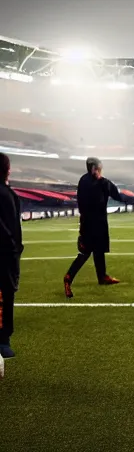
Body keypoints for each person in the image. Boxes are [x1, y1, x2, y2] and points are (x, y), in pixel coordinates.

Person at [63, 157, 132, 298]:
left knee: (96, 251)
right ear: (95, 168)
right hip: (97, 224)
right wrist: (130, 199)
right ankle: (68, 277)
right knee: (87, 254)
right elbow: (118, 196)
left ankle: (102, 277)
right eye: (99, 167)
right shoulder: (103, 183)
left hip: (87, 224)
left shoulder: (83, 181)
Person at [0, 153, 24, 359]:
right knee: (5, 295)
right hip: (4, 253)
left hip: (9, 251)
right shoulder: (3, 192)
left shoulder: (7, 192)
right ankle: (3, 340)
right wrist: (12, 246)